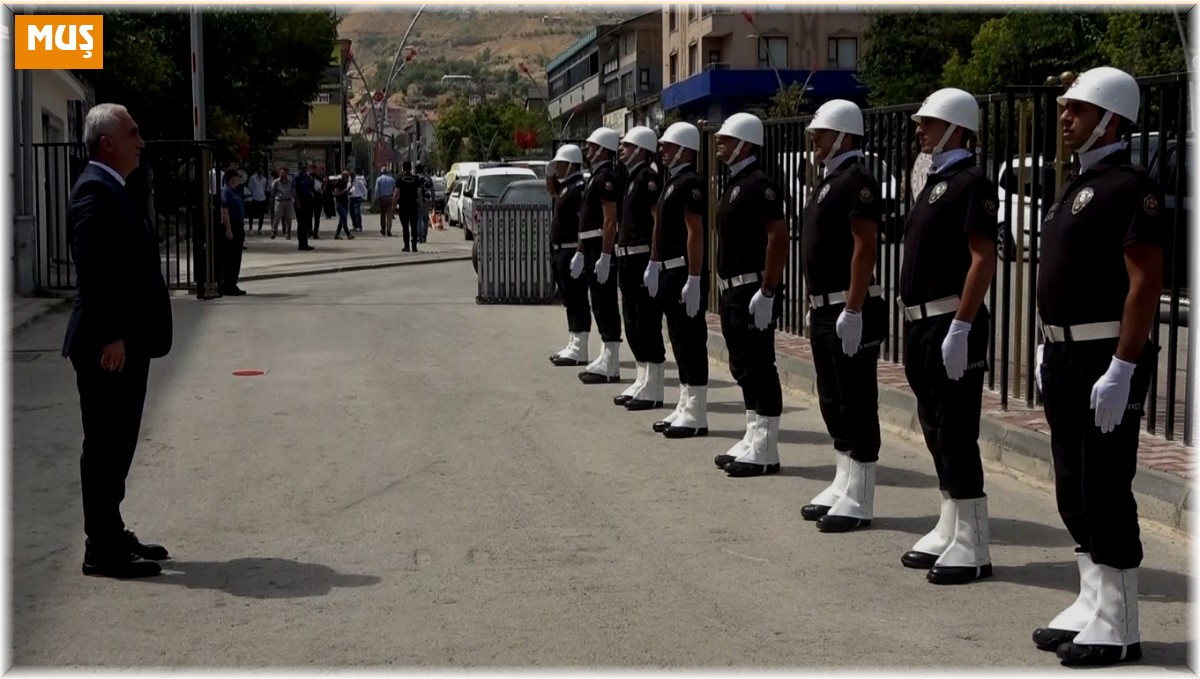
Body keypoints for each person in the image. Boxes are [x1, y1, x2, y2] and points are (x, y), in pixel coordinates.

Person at [1030, 66, 1162, 667]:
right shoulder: (1075, 183)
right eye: (1065, 108)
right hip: (1064, 353)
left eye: (1077, 110)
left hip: (1105, 354)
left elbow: (1144, 284)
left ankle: (1121, 621)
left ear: (1109, 118)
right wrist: (1044, 343)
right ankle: (1091, 602)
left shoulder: (1130, 187)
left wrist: (1124, 367)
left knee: (1107, 487)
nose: (1065, 117)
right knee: (1073, 487)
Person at [61, 103, 173, 579]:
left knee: (119, 442)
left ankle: (111, 528)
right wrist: (110, 335)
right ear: (107, 141)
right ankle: (101, 547)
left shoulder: (117, 187)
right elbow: (92, 267)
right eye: (133, 133)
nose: (140, 141)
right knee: (105, 444)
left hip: (127, 341)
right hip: (107, 345)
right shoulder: (94, 191)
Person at [898, 87, 997, 585]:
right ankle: (951, 519)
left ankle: (974, 543)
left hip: (949, 320)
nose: (921, 129)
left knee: (957, 432)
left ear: (957, 127)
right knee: (935, 429)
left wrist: (962, 324)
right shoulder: (935, 179)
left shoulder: (971, 182)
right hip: (921, 323)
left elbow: (983, 259)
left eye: (930, 122)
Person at [798, 100, 887, 532]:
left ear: (845, 136)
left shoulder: (858, 181)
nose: (815, 137)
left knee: (856, 401)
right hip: (822, 307)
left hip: (848, 305)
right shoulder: (828, 180)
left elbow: (864, 247)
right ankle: (843, 481)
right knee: (832, 398)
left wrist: (853, 308)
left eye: (822, 131)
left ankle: (862, 496)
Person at [710, 113, 788, 477]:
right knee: (742, 366)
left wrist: (768, 289)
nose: (718, 143)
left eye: (725, 138)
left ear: (745, 143)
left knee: (760, 366)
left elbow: (778, 238)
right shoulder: (735, 182)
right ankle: (753, 435)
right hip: (733, 290)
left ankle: (767, 448)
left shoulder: (760, 184)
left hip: (752, 288)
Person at [646, 122, 710, 439]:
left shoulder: (690, 183)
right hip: (671, 271)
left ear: (684, 149)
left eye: (668, 146)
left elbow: (694, 232)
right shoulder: (673, 181)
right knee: (679, 341)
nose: (662, 150)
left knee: (692, 342)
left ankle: (696, 411)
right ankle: (685, 403)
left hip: (685, 271)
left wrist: (695, 278)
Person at [612, 126, 665, 411]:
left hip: (643, 257)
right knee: (631, 321)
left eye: (627, 145)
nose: (621, 149)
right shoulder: (631, 178)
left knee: (647, 323)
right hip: (627, 259)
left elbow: (657, 221)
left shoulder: (648, 179)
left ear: (641, 150)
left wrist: (655, 260)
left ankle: (655, 386)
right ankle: (642, 377)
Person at [570, 127, 624, 384]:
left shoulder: (606, 178)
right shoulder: (595, 177)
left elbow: (610, 221)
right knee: (597, 303)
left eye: (591, 147)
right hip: (591, 245)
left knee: (605, 302)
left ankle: (611, 360)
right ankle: (606, 354)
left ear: (603, 149)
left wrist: (605, 255)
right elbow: (586, 221)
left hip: (601, 247)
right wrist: (581, 252)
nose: (588, 150)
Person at [546, 144, 591, 367]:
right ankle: (573, 342)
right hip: (560, 250)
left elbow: (583, 220)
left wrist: (580, 253)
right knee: (569, 300)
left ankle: (580, 347)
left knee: (578, 299)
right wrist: (550, 174)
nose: (557, 168)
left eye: (560, 164)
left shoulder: (578, 188)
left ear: (572, 164)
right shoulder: (566, 187)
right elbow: (553, 191)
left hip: (572, 249)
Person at [220, 169, 248, 296]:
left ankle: (233, 284)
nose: (239, 179)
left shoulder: (235, 191)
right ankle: (228, 285)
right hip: (232, 226)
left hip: (238, 227)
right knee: (231, 258)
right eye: (237, 177)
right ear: (232, 178)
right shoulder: (226, 191)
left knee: (236, 258)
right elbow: (224, 212)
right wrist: (229, 229)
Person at [395, 160, 422, 252]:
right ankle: (414, 246)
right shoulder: (416, 179)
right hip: (413, 206)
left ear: (403, 168)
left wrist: (394, 205)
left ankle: (406, 246)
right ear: (411, 168)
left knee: (405, 227)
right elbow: (419, 193)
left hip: (403, 206)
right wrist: (420, 206)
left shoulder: (399, 179)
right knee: (414, 226)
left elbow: (396, 194)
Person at [292, 161, 316, 251]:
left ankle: (305, 243)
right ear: (299, 168)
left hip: (307, 203)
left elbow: (309, 187)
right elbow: (294, 190)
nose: (304, 169)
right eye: (302, 168)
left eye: (305, 168)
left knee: (306, 224)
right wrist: (297, 201)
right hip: (300, 203)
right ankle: (301, 244)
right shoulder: (297, 177)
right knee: (301, 224)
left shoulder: (307, 177)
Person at [270, 166, 295, 240]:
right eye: (281, 172)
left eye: (284, 173)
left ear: (287, 173)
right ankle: (274, 232)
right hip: (279, 201)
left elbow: (292, 192)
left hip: (288, 201)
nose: (283, 174)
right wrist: (272, 203)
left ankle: (288, 234)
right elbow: (272, 193)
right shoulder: (276, 182)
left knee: (288, 218)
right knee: (277, 217)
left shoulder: (290, 182)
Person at [374, 169, 396, 236]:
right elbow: (394, 188)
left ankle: (383, 229)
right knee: (389, 215)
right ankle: (389, 229)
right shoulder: (391, 179)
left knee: (382, 214)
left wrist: (376, 198)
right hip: (390, 197)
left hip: (382, 198)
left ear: (381, 172)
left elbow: (377, 190)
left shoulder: (379, 179)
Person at [333, 169, 354, 240]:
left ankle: (337, 234)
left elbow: (346, 193)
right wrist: (345, 190)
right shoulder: (338, 182)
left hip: (345, 202)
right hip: (339, 203)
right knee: (344, 219)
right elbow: (336, 194)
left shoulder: (346, 183)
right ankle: (348, 234)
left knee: (341, 220)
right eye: (347, 176)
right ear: (343, 176)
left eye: (348, 177)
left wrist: (349, 191)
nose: (348, 178)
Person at [247, 167, 268, 235]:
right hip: (254, 198)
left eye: (262, 170)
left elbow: (264, 188)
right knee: (252, 214)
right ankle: (250, 229)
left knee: (261, 215)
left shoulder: (264, 179)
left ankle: (260, 229)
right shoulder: (252, 178)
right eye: (259, 170)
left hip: (262, 198)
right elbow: (250, 187)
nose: (260, 171)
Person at [416, 163, 433, 244]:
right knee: (425, 218)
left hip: (419, 200)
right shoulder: (428, 177)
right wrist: (433, 200)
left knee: (419, 218)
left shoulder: (416, 178)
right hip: (427, 199)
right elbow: (432, 190)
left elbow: (417, 191)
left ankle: (420, 236)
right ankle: (425, 236)